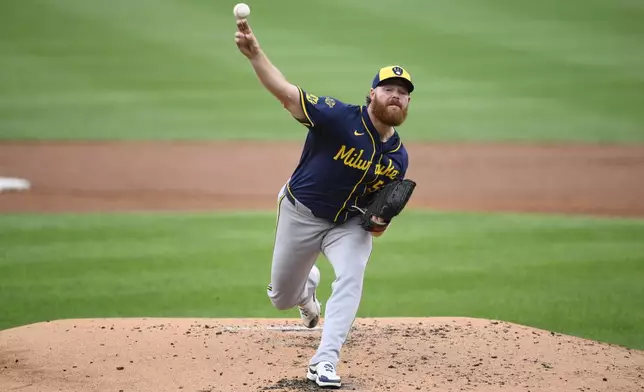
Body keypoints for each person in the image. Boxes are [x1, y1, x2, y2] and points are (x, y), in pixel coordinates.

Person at [234, 17, 414, 389]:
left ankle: (325, 361)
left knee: (351, 275)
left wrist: (379, 222)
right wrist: (255, 54)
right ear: (372, 94)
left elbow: (378, 208)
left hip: (347, 225)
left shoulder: (398, 158)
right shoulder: (336, 117)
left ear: (408, 102)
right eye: (388, 88)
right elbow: (286, 94)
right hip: (300, 213)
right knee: (282, 298)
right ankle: (306, 287)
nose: (395, 94)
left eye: (403, 91)